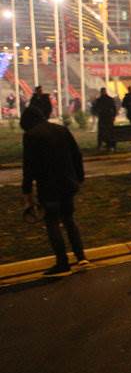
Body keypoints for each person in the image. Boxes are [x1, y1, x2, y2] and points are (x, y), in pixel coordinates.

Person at [20, 105, 86, 275]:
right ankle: (81, 257)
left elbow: (29, 166)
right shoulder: (61, 130)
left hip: (48, 186)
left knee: (52, 222)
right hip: (68, 183)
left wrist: (27, 191)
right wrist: (79, 177)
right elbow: (76, 154)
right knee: (69, 219)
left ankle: (62, 262)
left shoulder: (31, 136)